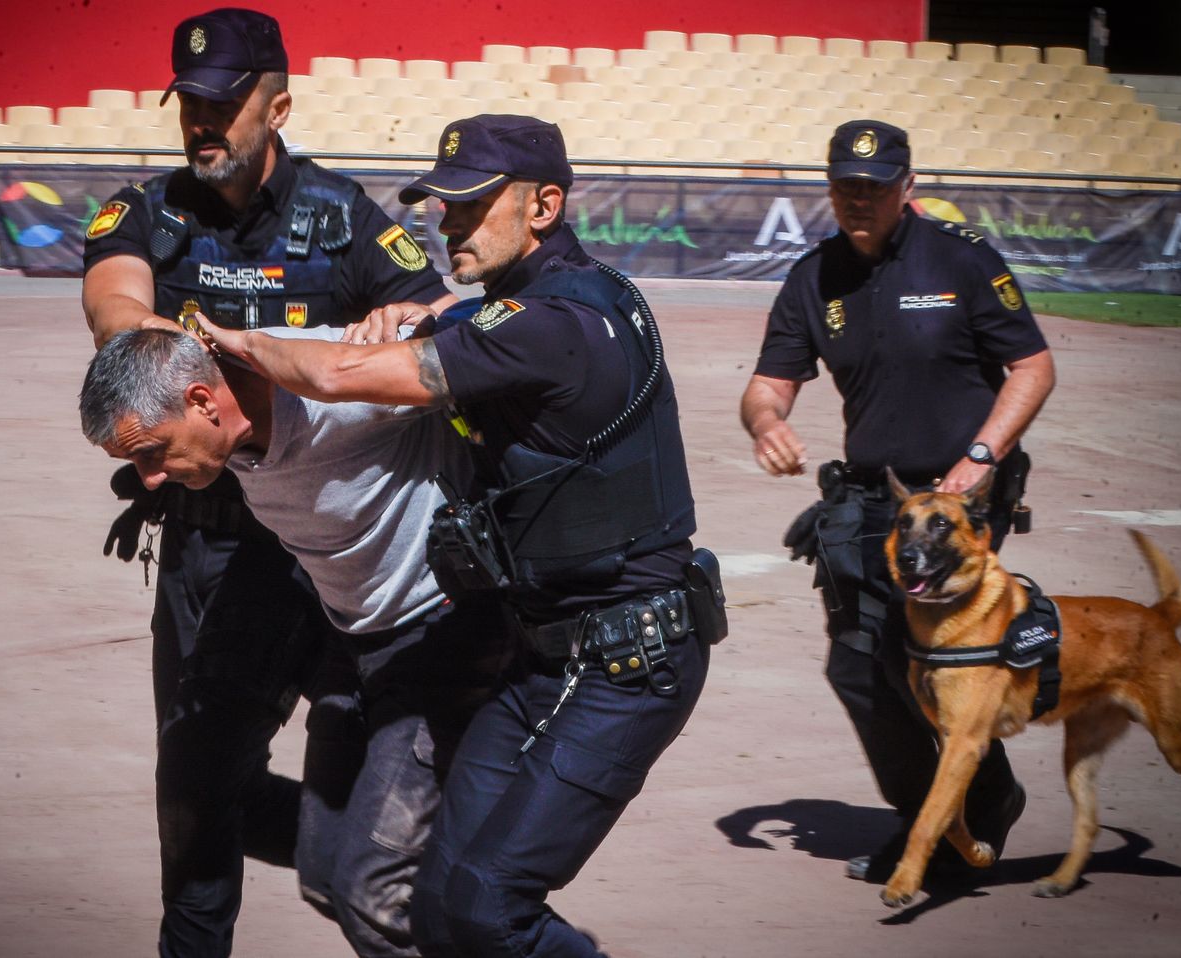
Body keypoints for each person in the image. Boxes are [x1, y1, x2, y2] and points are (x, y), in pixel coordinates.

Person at [196, 114, 727, 958]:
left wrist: (240, 343)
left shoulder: (547, 326)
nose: (447, 225)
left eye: (472, 208)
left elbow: (335, 375)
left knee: (486, 909)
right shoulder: (572, 298)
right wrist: (420, 310)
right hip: (547, 656)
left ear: (544, 205)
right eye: (442, 207)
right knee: (437, 907)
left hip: (628, 664)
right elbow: (467, 323)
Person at [78, 9, 454, 956]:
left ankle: (433, 888)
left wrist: (404, 315)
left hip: (332, 554)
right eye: (189, 105)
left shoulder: (341, 212)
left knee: (319, 788)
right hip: (214, 542)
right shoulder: (142, 212)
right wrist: (201, 355)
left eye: (222, 104)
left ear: (276, 104)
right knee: (197, 786)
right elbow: (118, 313)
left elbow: (428, 318)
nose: (202, 122)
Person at [79, 326, 505, 957]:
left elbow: (486, 354)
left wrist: (425, 315)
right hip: (359, 646)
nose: (148, 479)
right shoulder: (230, 431)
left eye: (152, 452)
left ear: (202, 401)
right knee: (326, 873)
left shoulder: (337, 391)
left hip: (442, 637)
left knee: (373, 895)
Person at [739, 120, 1056, 883]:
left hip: (963, 505)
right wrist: (768, 422)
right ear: (830, 188)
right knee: (860, 668)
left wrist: (981, 457)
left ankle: (954, 822)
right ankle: (955, 808)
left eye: (876, 187)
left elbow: (1032, 367)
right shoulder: (813, 277)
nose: (860, 199)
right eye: (847, 185)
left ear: (907, 188)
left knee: (931, 664)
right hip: (877, 502)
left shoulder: (963, 259)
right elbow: (768, 384)